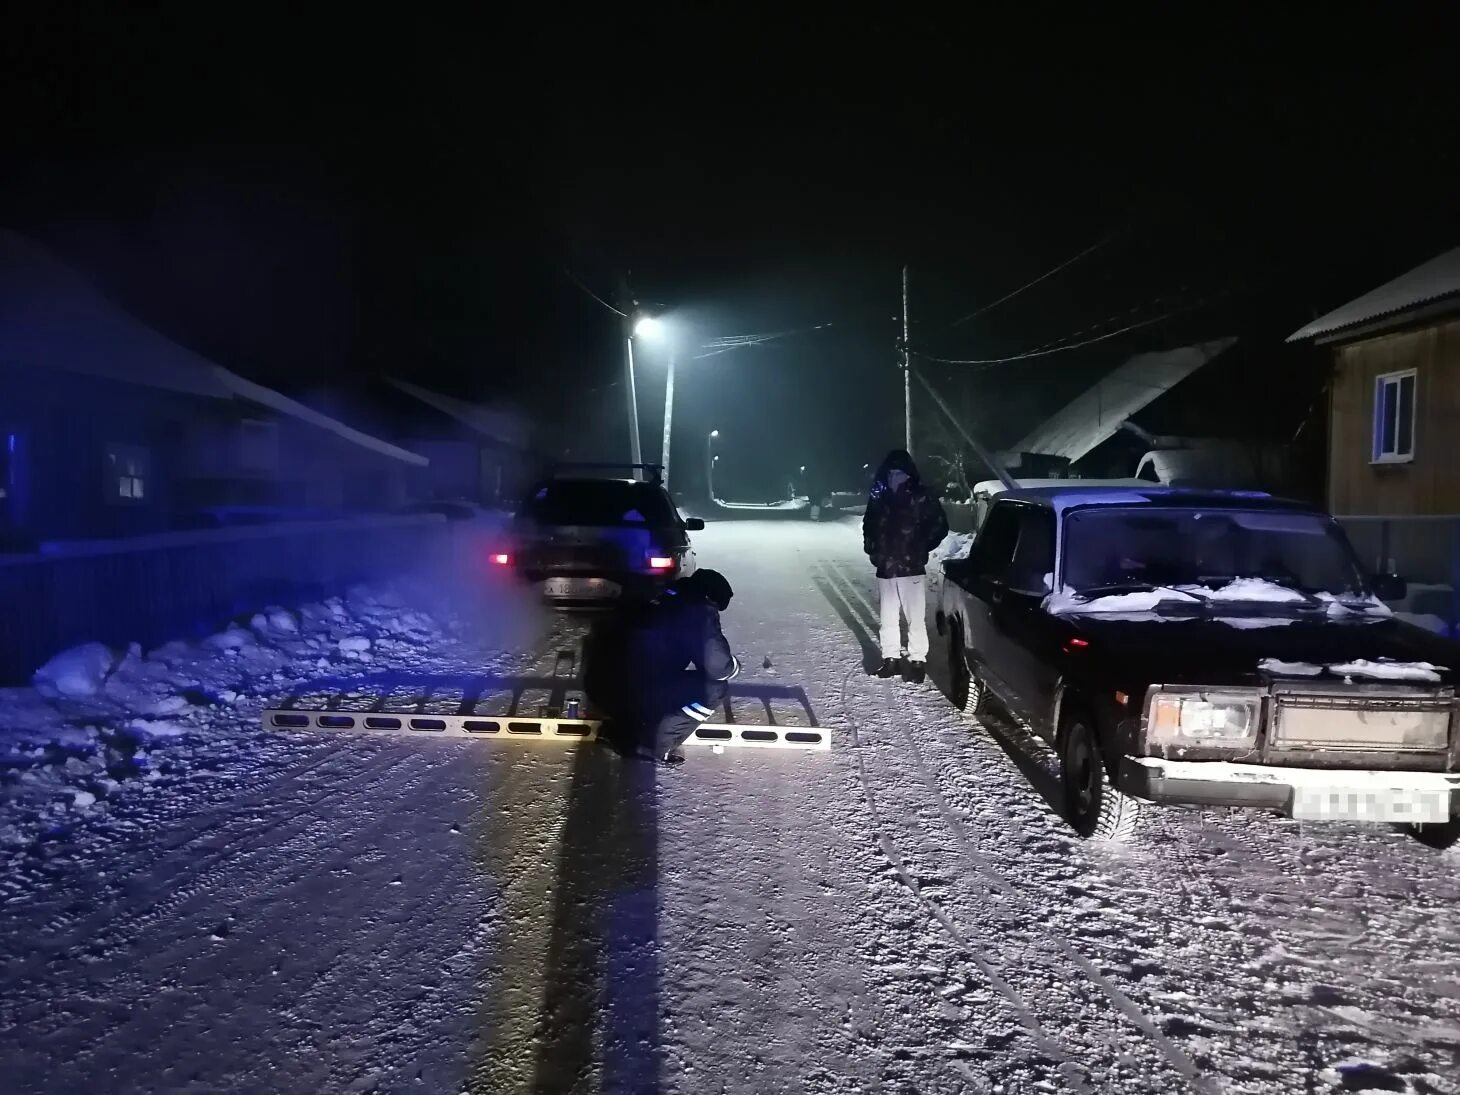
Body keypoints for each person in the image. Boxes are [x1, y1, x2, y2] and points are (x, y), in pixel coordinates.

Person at [607, 569, 739, 766]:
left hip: (612, 682)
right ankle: (658, 746)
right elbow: (718, 666)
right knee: (714, 689)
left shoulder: (666, 595)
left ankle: (627, 725)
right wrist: (733, 667)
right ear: (710, 598)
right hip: (641, 685)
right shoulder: (697, 610)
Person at [863, 449, 949, 682]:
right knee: (889, 617)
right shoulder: (879, 495)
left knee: (914, 617)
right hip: (886, 567)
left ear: (908, 473)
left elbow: (940, 525)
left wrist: (921, 546)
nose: (894, 476)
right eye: (891, 472)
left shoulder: (921, 495)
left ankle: (917, 661)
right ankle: (891, 659)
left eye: (898, 472)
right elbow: (869, 524)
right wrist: (873, 549)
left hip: (910, 567)